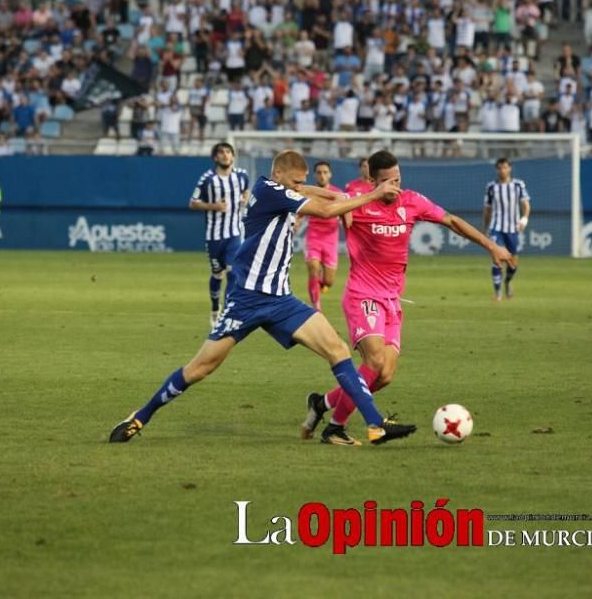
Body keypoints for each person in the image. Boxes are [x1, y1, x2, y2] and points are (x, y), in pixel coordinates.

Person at [109, 150, 417, 446]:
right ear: (278, 173)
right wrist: (373, 194)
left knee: (337, 350)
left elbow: (307, 190)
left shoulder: (277, 187)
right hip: (247, 300)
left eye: (302, 181)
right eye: (296, 181)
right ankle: (140, 417)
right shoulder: (270, 191)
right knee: (201, 368)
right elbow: (323, 210)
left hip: (281, 300)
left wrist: (329, 192)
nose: (300, 186)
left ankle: (375, 425)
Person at [300, 149, 515, 445]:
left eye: (397, 179)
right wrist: (292, 187)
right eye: (387, 181)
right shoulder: (357, 203)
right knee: (373, 362)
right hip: (363, 295)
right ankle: (336, 428)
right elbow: (321, 195)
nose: (394, 187)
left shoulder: (412, 201)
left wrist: (491, 246)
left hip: (392, 300)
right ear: (373, 181)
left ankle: (321, 404)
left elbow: (451, 221)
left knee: (384, 375)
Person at [190, 142, 250, 326]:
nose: (225, 155)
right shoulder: (207, 179)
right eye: (221, 153)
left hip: (234, 233)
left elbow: (246, 190)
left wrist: (244, 200)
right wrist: (213, 206)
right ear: (215, 158)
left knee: (233, 272)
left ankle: (226, 313)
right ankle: (215, 307)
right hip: (214, 236)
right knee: (217, 274)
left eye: (228, 152)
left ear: (233, 156)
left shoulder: (241, 176)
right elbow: (193, 203)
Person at [483, 158, 530, 301]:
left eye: (505, 167)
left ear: (510, 168)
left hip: (512, 229)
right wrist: (485, 229)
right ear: (496, 170)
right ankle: (497, 293)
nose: (502, 170)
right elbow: (487, 210)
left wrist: (524, 219)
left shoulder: (518, 185)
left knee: (513, 263)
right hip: (496, 228)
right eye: (499, 168)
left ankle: (508, 282)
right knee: (496, 259)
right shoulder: (491, 187)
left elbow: (526, 205)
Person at [300, 161, 344, 312]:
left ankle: (320, 286)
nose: (322, 175)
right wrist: (296, 224)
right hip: (313, 237)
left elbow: (345, 211)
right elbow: (300, 212)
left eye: (325, 172)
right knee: (313, 267)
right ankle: (316, 307)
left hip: (330, 240)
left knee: (328, 281)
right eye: (319, 172)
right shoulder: (309, 193)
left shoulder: (337, 194)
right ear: (314, 175)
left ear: (330, 174)